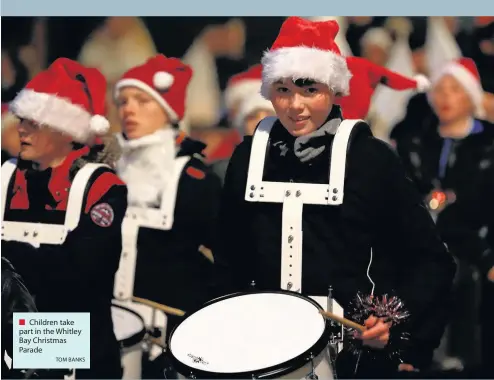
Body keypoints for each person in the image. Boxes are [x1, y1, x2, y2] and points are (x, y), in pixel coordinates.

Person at [213, 17, 456, 378]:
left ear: (333, 87)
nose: (295, 106)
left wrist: (393, 323)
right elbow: (230, 256)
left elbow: (431, 261)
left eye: (309, 90)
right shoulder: (248, 156)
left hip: (355, 359)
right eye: (282, 90)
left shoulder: (370, 158)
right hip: (261, 350)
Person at [1, 58, 127, 379]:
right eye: (21, 120)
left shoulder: (100, 186)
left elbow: (82, 273)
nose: (21, 129)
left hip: (73, 342)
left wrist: (8, 263)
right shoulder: (5, 178)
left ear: (66, 130)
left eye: (34, 122)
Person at [393, 57, 494, 376]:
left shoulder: (489, 145)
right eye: (440, 89)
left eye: (455, 89)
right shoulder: (414, 142)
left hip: (478, 247)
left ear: (470, 96)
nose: (445, 97)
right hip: (424, 244)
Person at [113, 55, 222, 336]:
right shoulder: (105, 171)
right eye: (123, 102)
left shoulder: (195, 179)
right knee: (35, 353)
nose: (129, 110)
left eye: (142, 100)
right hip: (106, 322)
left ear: (167, 111)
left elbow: (226, 255)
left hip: (170, 333)